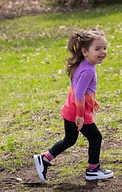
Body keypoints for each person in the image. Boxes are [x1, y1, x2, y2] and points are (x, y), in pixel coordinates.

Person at [34, 28, 114, 182]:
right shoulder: (88, 70)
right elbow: (79, 95)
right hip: (78, 112)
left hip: (70, 109)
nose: (102, 52)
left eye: (104, 48)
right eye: (97, 49)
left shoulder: (82, 64)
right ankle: (93, 170)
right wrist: (80, 116)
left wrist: (91, 100)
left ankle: (44, 158)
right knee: (96, 137)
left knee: (70, 139)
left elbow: (79, 89)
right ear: (85, 51)